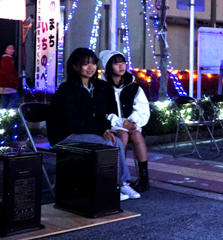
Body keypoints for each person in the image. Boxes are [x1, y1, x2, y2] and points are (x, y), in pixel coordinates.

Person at [48, 48, 140, 201]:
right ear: (75, 66)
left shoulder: (97, 88)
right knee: (109, 143)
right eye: (85, 64)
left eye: (93, 63)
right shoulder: (66, 90)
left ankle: (122, 183)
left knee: (115, 140)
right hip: (65, 135)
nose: (90, 67)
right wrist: (100, 130)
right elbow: (73, 123)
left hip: (85, 132)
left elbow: (101, 116)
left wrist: (105, 129)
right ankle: (112, 185)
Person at [100, 50, 151, 193]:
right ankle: (116, 177)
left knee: (136, 135)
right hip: (110, 126)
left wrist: (133, 123)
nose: (121, 66)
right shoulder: (100, 88)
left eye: (123, 63)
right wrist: (120, 123)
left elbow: (142, 108)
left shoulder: (133, 87)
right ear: (108, 66)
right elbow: (100, 112)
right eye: (116, 64)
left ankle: (144, 177)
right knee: (122, 135)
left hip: (130, 126)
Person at [0, 43, 20, 109]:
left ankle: (3, 113)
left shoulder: (5, 58)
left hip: (3, 84)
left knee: (5, 101)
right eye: (9, 48)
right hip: (8, 84)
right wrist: (13, 82)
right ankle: (8, 112)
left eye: (12, 48)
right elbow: (7, 72)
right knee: (16, 99)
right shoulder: (7, 59)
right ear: (4, 50)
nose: (11, 50)